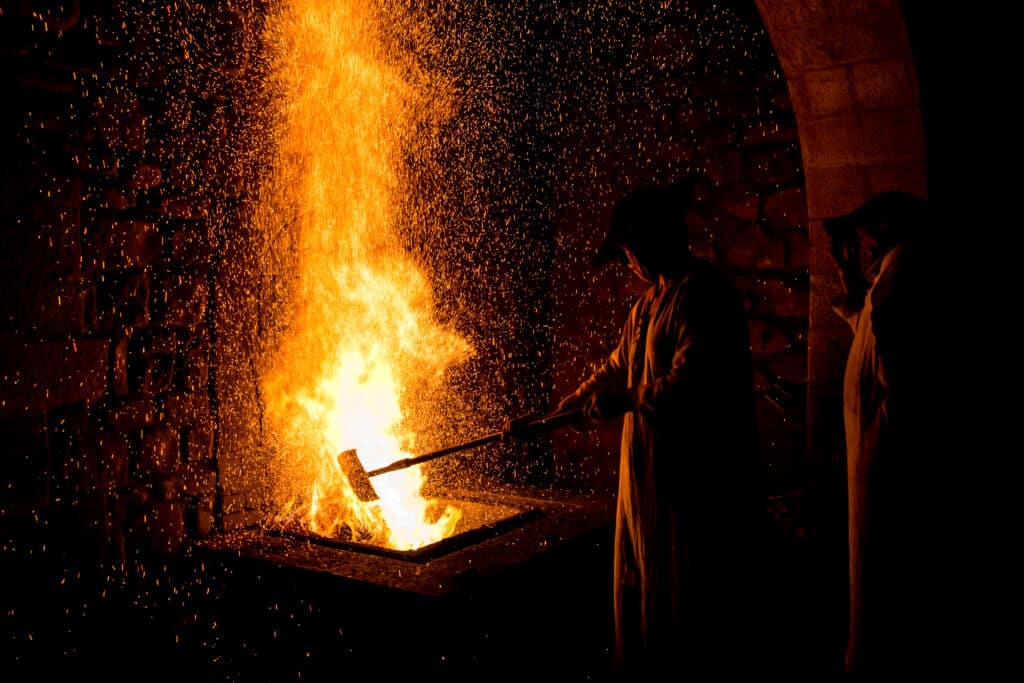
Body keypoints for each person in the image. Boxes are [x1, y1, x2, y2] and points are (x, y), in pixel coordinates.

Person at [540, 178, 764, 677]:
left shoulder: (704, 294)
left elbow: (693, 382)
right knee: (646, 598)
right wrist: (566, 408)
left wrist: (624, 401)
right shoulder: (645, 306)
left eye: (628, 252)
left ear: (653, 240)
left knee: (691, 604)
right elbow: (620, 364)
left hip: (694, 484)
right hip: (646, 481)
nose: (628, 264)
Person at [825, 191, 941, 678]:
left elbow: (903, 382)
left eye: (855, 240)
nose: (847, 252)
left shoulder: (901, 281)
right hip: (878, 470)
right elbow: (880, 350)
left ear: (883, 232)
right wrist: (855, 308)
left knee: (885, 601)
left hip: (888, 479)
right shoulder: (891, 284)